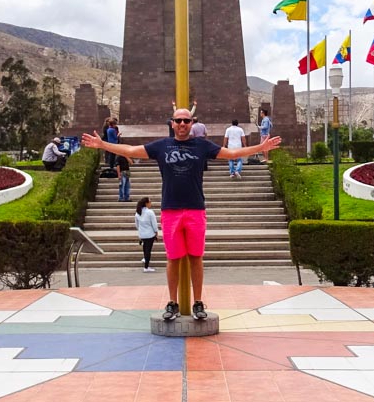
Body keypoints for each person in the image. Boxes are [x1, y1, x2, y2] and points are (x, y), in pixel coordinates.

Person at [81, 108, 282, 322]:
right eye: (179, 120)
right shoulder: (161, 146)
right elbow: (130, 150)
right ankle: (172, 302)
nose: (183, 124)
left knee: (196, 258)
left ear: (192, 122)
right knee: (173, 259)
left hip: (195, 210)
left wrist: (261, 148)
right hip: (171, 211)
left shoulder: (202, 145)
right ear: (172, 123)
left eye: (187, 120)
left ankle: (197, 302)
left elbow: (232, 154)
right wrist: (103, 145)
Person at [135, 196, 159, 273]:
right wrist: (156, 231)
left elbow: (137, 225)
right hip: (150, 234)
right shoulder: (150, 212)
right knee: (148, 250)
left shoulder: (138, 213)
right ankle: (146, 267)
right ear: (146, 203)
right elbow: (154, 224)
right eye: (150, 202)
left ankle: (145, 258)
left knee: (145, 248)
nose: (151, 203)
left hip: (142, 234)